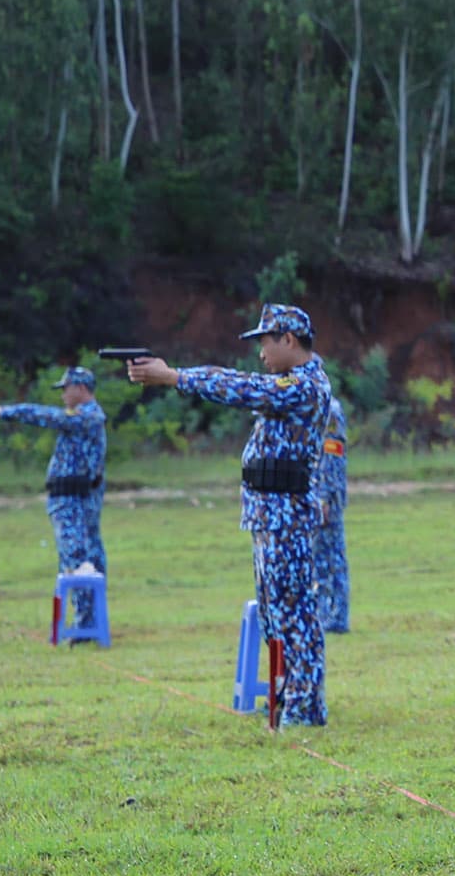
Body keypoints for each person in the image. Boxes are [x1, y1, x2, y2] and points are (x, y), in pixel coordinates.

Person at [125, 305, 333, 729]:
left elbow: (242, 387)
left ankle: (305, 708)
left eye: (265, 342)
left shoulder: (304, 385)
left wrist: (175, 377)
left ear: (288, 339)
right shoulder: (292, 382)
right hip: (270, 514)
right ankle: (288, 698)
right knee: (276, 614)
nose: (261, 352)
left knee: (293, 612)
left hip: (286, 515)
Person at [0, 367, 108, 628]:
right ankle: (90, 620)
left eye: (65, 389)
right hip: (71, 497)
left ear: (80, 388)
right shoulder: (86, 417)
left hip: (72, 500)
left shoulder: (88, 416)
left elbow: (42, 415)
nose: (62, 395)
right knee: (81, 557)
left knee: (78, 560)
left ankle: (87, 624)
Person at [314, 394, 350, 634]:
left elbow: (332, 458)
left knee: (331, 558)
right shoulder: (316, 405)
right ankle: (325, 612)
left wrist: (324, 498)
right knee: (320, 557)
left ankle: (335, 615)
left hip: (326, 498)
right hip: (318, 495)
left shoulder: (330, 411)